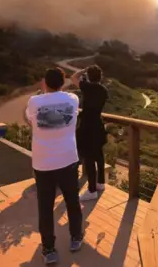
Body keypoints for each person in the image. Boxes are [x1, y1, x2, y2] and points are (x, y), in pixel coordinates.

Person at [24, 67, 84, 265]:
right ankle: (76, 237)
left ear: (44, 83)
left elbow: (29, 120)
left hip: (43, 163)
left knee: (46, 206)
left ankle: (49, 249)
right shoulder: (72, 100)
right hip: (68, 159)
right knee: (72, 201)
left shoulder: (34, 102)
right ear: (63, 81)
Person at [71, 65, 108, 202]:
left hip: (87, 126)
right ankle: (101, 183)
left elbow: (73, 77)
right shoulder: (103, 90)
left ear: (89, 76)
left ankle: (91, 190)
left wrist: (82, 70)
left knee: (89, 158)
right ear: (100, 77)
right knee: (99, 154)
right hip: (98, 125)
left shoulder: (86, 87)